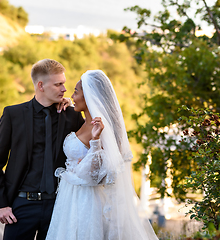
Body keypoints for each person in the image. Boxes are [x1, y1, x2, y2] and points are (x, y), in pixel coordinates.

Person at [46, 70, 159, 240]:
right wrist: (67, 103)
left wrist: (95, 141)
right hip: (69, 198)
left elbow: (96, 176)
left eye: (76, 92)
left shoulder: (101, 130)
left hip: (88, 201)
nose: (72, 95)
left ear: (89, 96)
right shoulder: (83, 122)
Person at [0, 59, 84, 240]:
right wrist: (0, 204)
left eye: (64, 83)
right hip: (21, 206)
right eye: (58, 84)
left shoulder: (72, 116)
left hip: (59, 206)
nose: (64, 89)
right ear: (41, 85)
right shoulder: (13, 115)